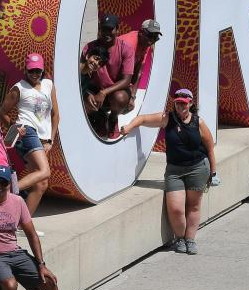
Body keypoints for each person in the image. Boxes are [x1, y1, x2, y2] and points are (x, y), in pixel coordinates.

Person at [119, 88, 219, 255]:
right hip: (175, 170)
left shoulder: (198, 122)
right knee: (176, 208)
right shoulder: (167, 118)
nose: (181, 107)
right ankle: (179, 238)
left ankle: (190, 239)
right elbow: (143, 119)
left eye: (184, 104)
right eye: (178, 103)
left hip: (198, 168)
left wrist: (213, 173)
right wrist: (129, 127)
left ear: (191, 104)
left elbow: (209, 149)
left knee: (194, 206)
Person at [0, 53, 58, 216]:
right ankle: (5, 190)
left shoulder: (48, 84)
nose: (35, 74)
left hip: (43, 138)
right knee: (45, 171)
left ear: (43, 70)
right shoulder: (19, 88)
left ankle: (22, 224)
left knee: (41, 184)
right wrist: (14, 127)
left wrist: (51, 141)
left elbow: (55, 116)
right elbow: (2, 112)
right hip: (27, 131)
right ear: (25, 70)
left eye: (38, 71)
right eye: (32, 71)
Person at [82, 14, 134, 138]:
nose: (107, 33)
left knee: (120, 98)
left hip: (115, 89)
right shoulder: (89, 47)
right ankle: (99, 117)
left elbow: (127, 80)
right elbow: (80, 73)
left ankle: (113, 118)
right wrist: (86, 94)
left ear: (117, 29)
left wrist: (104, 92)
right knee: (85, 100)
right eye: (104, 28)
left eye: (110, 29)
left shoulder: (126, 49)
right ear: (99, 29)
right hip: (93, 89)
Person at [116, 19, 162, 112]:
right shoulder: (129, 45)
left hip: (122, 76)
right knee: (122, 100)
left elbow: (138, 71)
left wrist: (133, 96)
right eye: (150, 36)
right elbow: (117, 72)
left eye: (155, 38)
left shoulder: (146, 43)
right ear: (141, 32)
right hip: (111, 75)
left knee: (129, 105)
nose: (152, 40)